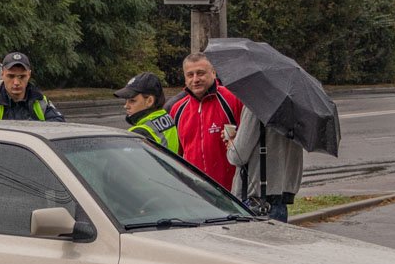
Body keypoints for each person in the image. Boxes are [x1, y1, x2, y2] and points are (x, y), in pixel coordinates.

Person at [167, 52, 242, 189]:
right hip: (196, 191)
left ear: (213, 73)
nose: (195, 79)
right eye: (190, 75)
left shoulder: (233, 100)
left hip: (231, 191)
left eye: (200, 73)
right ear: (185, 78)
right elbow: (176, 154)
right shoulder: (177, 109)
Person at [223, 105, 303, 222]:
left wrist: (231, 143)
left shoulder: (256, 105)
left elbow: (238, 156)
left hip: (255, 199)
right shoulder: (298, 107)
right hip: (281, 197)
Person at [0, 52, 65, 121]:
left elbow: (59, 125)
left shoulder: (41, 101)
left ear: (29, 75)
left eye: (22, 77)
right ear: (2, 74)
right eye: (11, 76)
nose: (16, 82)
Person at [113, 72, 180, 153]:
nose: (126, 106)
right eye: (126, 100)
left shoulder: (140, 133)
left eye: (132, 101)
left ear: (149, 101)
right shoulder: (165, 117)